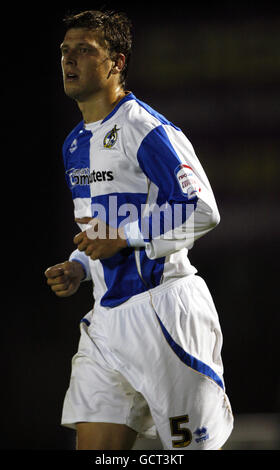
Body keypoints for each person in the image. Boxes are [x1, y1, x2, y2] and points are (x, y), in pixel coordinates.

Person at [45, 10, 233, 450]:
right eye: (65, 51)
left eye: (85, 50)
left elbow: (202, 208)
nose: (70, 60)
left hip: (164, 311)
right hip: (105, 322)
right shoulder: (74, 142)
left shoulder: (142, 127)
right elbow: (99, 227)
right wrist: (78, 264)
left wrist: (126, 237)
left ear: (117, 63)